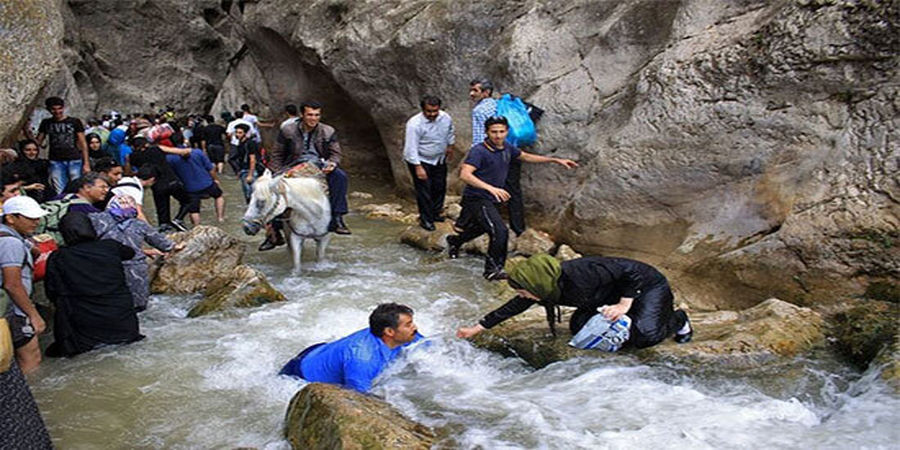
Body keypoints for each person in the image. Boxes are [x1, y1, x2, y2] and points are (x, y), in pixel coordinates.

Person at [457, 254, 693, 348]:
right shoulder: (544, 287)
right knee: (578, 327)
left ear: (535, 286)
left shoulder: (582, 272)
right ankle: (629, 319)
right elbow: (512, 307)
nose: (523, 297)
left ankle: (678, 319)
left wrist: (624, 305)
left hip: (646, 285)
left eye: (524, 293)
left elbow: (628, 273)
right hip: (606, 296)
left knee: (646, 335)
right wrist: (475, 329)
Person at [447, 116, 577, 280]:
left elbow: (525, 156)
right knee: (500, 231)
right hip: (477, 198)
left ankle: (455, 241)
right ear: (487, 132)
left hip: (491, 198)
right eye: (494, 132)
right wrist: (490, 188)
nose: (498, 135)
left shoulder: (507, 147)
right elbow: (465, 174)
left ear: (507, 132)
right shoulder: (479, 151)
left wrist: (554, 160)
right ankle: (493, 270)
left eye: (501, 132)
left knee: (484, 227)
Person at [44, 211, 144, 357]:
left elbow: (52, 290)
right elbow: (130, 253)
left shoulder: (59, 257)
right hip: (120, 315)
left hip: (83, 319)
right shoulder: (110, 247)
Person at [280, 303, 423, 393]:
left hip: (321, 353)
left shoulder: (406, 335)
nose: (414, 327)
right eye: (408, 324)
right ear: (389, 332)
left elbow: (431, 348)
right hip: (300, 375)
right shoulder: (363, 360)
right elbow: (359, 401)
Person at [268, 101, 351, 234]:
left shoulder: (328, 131)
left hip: (319, 165)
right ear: (302, 115)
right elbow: (277, 153)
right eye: (310, 115)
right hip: (292, 165)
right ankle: (274, 230)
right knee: (272, 187)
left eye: (317, 115)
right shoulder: (288, 130)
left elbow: (335, 153)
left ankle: (337, 218)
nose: (313, 118)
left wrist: (332, 163)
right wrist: (276, 172)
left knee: (340, 177)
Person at [90, 195, 177, 311]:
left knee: (108, 303)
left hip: (105, 265)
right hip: (134, 268)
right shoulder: (139, 225)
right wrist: (175, 246)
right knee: (138, 306)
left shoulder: (96, 220)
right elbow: (163, 244)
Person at [0, 196, 49, 373]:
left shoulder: (9, 236)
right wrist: (33, 315)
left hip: (7, 309)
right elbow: (12, 285)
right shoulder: (11, 243)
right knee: (31, 357)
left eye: (37, 217)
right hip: (13, 310)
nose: (36, 222)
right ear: (11, 218)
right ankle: (28, 396)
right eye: (30, 218)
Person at [470, 78, 525, 236]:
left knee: (484, 190)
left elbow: (479, 138)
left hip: (493, 155)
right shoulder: (499, 104)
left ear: (486, 93)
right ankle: (518, 227)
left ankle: (482, 224)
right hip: (511, 151)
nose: (471, 93)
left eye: (475, 90)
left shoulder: (479, 110)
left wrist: (476, 159)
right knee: (513, 190)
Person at [404, 95, 455, 231]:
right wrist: (418, 167)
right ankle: (425, 219)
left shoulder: (445, 118)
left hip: (439, 158)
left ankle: (435, 213)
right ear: (423, 110)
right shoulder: (414, 124)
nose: (432, 114)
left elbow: (450, 131)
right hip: (421, 159)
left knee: (439, 186)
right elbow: (411, 147)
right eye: (429, 112)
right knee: (424, 190)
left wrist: (450, 146)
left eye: (435, 111)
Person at [127, 136, 191, 231]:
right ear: (146, 144)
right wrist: (189, 149)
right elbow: (181, 151)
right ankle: (178, 219)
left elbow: (129, 172)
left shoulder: (132, 156)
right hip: (171, 180)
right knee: (188, 201)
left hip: (156, 185)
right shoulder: (156, 149)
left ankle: (164, 229)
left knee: (162, 210)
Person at [164, 136, 225, 225]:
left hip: (190, 188)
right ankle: (220, 218)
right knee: (219, 196)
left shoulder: (169, 159)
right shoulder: (197, 152)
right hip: (207, 183)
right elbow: (210, 169)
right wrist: (216, 179)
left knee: (194, 210)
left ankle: (197, 228)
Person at [35, 96, 90, 195]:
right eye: (54, 109)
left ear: (63, 108)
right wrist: (27, 132)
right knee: (59, 187)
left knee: (76, 186)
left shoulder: (74, 122)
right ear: (49, 110)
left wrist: (86, 163)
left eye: (59, 108)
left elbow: (83, 143)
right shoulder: (46, 123)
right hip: (55, 160)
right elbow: (38, 141)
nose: (57, 111)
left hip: (74, 158)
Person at [230, 123, 260, 203]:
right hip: (243, 170)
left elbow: (253, 159)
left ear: (245, 133)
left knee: (252, 195)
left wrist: (250, 174)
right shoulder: (240, 143)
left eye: (240, 133)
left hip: (250, 171)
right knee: (248, 195)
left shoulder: (250, 143)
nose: (237, 134)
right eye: (236, 132)